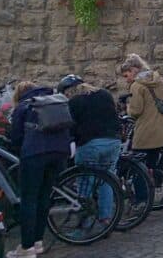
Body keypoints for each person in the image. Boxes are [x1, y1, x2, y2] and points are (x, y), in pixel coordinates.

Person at [7, 81, 71, 258]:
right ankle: (38, 242)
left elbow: (16, 136)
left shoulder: (23, 106)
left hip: (35, 154)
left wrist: (20, 151)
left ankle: (26, 248)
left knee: (29, 200)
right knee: (44, 197)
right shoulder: (55, 100)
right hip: (58, 153)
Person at [58, 75, 121, 230]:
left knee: (85, 182)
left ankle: (85, 223)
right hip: (113, 142)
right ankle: (105, 219)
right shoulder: (104, 94)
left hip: (90, 144)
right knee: (106, 180)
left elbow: (70, 127)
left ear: (68, 91)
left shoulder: (74, 102)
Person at [120, 53, 163, 195]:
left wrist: (128, 107)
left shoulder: (137, 86)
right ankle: (156, 178)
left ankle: (142, 200)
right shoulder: (161, 80)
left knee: (138, 166)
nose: (127, 79)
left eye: (127, 75)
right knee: (152, 161)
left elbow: (136, 111)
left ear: (134, 70)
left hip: (146, 132)